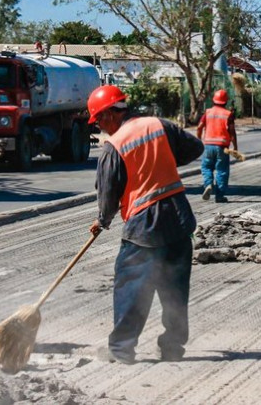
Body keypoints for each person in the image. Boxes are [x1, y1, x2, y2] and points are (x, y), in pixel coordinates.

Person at [86, 85, 204, 364]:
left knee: (132, 286)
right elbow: (195, 147)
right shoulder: (158, 125)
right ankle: (173, 348)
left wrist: (102, 220)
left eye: (99, 121)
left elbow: (108, 192)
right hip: (178, 219)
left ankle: (121, 350)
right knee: (175, 289)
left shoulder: (114, 146)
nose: (101, 128)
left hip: (144, 227)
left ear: (110, 114)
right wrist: (163, 161)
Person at [197, 89, 238, 203]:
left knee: (206, 167)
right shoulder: (228, 114)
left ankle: (208, 184)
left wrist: (199, 140)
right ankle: (219, 196)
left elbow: (199, 126)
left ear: (213, 100)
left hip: (208, 145)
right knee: (222, 170)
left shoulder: (208, 112)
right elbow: (232, 132)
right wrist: (235, 147)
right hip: (222, 147)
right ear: (225, 101)